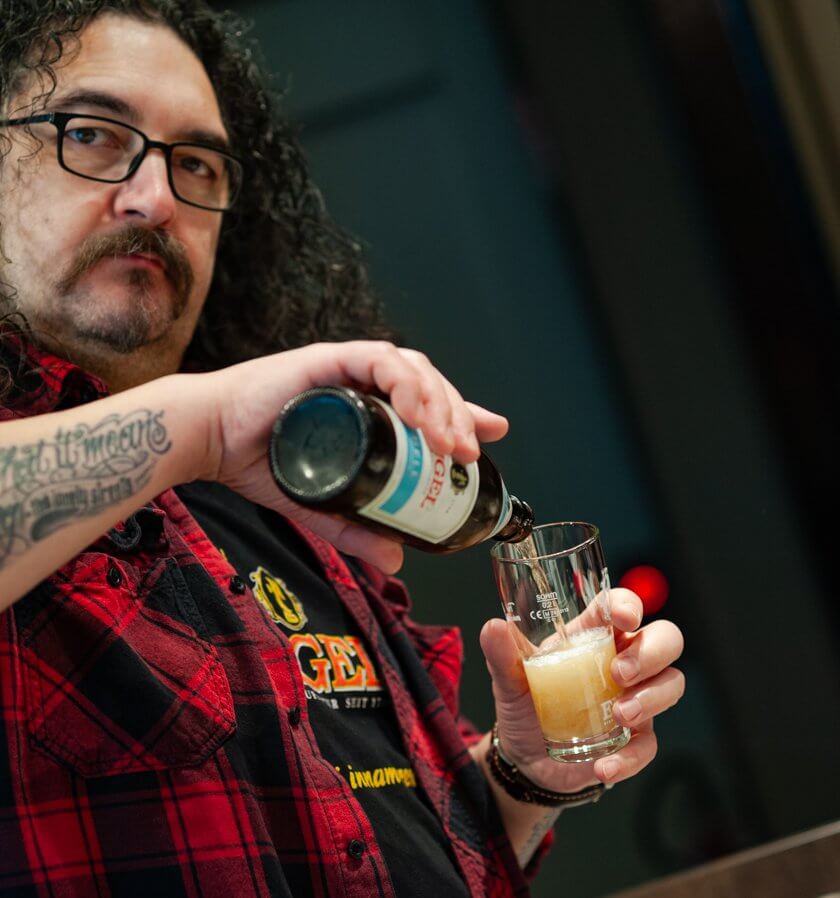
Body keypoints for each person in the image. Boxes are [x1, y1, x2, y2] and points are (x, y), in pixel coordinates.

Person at [0, 2, 685, 896]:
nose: (156, 198)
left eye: (196, 162)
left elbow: (388, 846)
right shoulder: (214, 430)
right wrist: (202, 425)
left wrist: (522, 779)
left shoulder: (269, 486)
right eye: (92, 135)